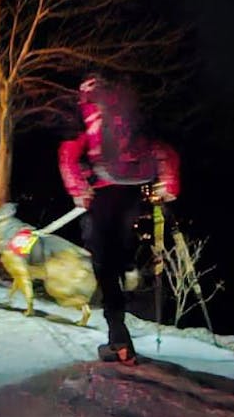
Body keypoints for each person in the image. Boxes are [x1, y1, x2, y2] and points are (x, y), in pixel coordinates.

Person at [58, 74, 180, 366]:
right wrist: (169, 184)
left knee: (103, 266)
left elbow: (68, 154)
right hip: (131, 194)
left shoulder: (87, 114)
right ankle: (130, 272)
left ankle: (119, 338)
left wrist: (79, 189)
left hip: (101, 194)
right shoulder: (129, 114)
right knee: (121, 254)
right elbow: (162, 150)